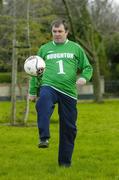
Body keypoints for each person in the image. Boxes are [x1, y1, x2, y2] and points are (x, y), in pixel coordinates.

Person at [29, 19, 93, 167]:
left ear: (66, 32)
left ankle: (64, 163)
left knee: (69, 128)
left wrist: (84, 78)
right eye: (54, 31)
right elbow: (34, 71)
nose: (57, 34)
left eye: (60, 31)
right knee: (43, 103)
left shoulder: (75, 48)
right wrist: (33, 91)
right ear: (51, 32)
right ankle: (44, 138)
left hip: (69, 92)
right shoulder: (44, 49)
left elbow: (87, 67)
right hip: (49, 86)